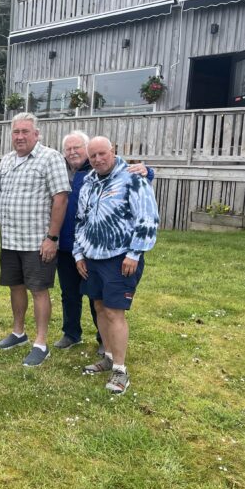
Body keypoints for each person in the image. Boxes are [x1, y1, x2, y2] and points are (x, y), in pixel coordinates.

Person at [73, 136, 159, 395]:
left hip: (120, 258)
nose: (98, 159)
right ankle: (108, 356)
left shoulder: (133, 177)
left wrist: (135, 253)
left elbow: (147, 217)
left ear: (113, 151)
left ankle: (120, 371)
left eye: (103, 154)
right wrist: (79, 254)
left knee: (114, 312)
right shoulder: (88, 182)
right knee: (99, 307)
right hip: (91, 257)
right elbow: (81, 220)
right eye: (93, 156)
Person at [55, 131, 154, 354]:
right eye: (68, 149)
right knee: (71, 293)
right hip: (70, 246)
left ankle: (104, 341)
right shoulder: (60, 170)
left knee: (100, 301)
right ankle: (71, 333)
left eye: (77, 147)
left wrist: (148, 171)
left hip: (102, 250)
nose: (72, 152)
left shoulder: (102, 173)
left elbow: (138, 188)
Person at [0, 113, 71, 366]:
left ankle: (41, 342)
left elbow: (60, 198)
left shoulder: (50, 158)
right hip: (10, 240)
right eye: (16, 132)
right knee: (15, 286)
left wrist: (52, 237)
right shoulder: (6, 160)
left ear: (36, 134)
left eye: (25, 132)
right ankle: (19, 332)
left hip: (37, 241)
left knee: (39, 290)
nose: (20, 137)